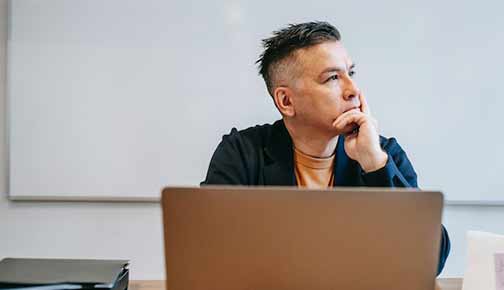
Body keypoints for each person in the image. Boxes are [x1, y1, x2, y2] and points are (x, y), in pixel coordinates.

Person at [201, 21, 450, 274]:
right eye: (332, 78)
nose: (353, 90)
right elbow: (208, 252)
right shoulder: (242, 153)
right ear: (286, 101)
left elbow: (430, 261)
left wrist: (376, 166)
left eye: (350, 74)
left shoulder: (382, 153)